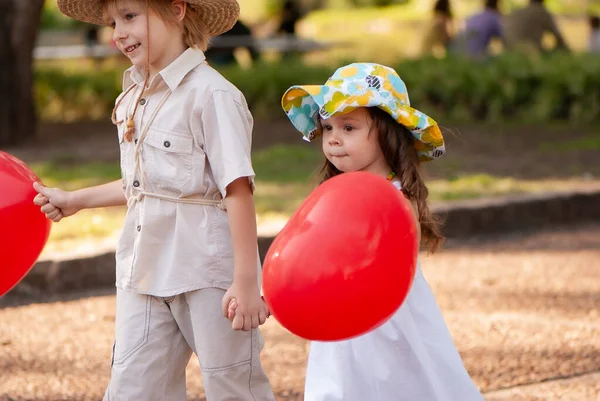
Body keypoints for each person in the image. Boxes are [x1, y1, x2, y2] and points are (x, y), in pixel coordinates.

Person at [33, 0, 275, 400]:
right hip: (143, 267)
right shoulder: (134, 96)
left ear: (177, 11)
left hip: (207, 270)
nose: (118, 33)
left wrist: (246, 282)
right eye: (113, 23)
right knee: (133, 387)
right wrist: (75, 199)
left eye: (130, 16)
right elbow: (143, 185)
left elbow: (238, 190)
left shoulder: (212, 94)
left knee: (232, 384)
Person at [279, 63, 485, 401]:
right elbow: (307, 253)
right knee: (342, 384)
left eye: (348, 127)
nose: (333, 138)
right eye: (328, 126)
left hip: (389, 317)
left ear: (386, 131)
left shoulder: (396, 196)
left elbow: (392, 255)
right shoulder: (332, 194)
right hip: (340, 315)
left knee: (403, 382)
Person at [503, 0, 569, 53]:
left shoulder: (517, 12)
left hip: (509, 52)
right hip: (527, 54)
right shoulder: (541, 12)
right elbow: (560, 39)